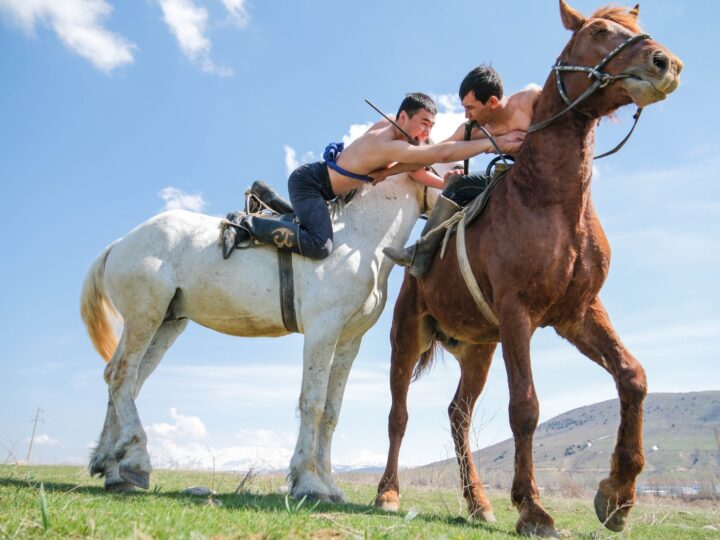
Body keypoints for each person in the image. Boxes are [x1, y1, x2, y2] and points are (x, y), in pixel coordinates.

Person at [223, 92, 524, 259]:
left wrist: (411, 174)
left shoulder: (393, 125)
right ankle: (246, 224)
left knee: (305, 220)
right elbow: (439, 156)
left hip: (325, 187)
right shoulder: (386, 144)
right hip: (311, 184)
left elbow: (407, 167)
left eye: (432, 126)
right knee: (320, 244)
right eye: (423, 123)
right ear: (403, 116)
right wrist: (494, 144)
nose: (426, 133)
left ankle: (264, 194)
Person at [382, 66, 541, 278]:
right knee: (459, 184)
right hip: (510, 180)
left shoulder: (530, 101)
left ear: (492, 102)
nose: (466, 115)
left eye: (470, 108)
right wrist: (388, 171)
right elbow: (433, 154)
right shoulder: (471, 130)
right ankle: (421, 253)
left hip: (547, 177)